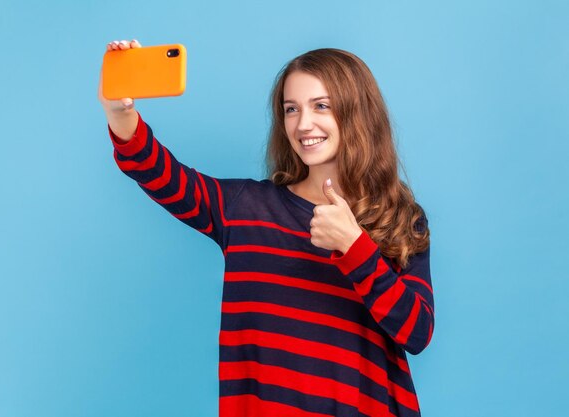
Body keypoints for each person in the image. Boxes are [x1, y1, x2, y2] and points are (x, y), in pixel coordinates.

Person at [99, 39, 434, 417]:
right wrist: (119, 112)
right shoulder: (245, 207)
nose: (303, 124)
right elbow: (160, 173)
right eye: (291, 109)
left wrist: (354, 246)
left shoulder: (400, 218)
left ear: (358, 113)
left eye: (321, 106)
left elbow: (417, 332)